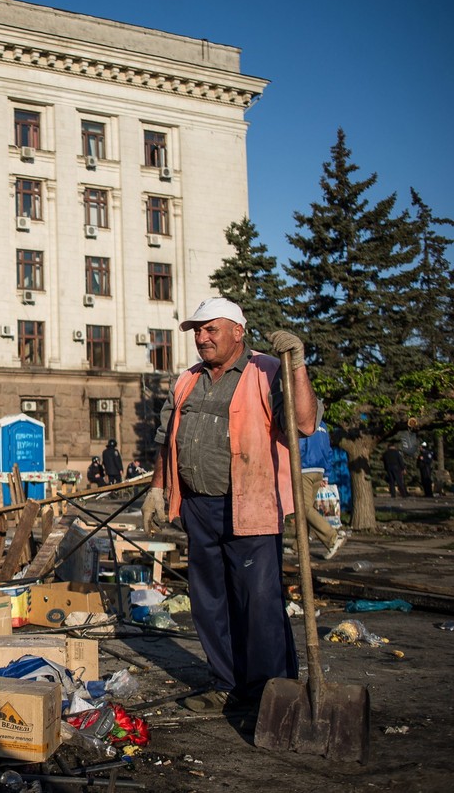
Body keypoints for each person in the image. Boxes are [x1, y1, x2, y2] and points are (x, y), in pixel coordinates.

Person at [141, 297, 318, 714]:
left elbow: (305, 423)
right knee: (210, 603)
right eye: (197, 331)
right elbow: (167, 439)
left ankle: (270, 694)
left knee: (259, 604)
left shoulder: (267, 370)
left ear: (238, 332)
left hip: (250, 506)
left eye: (210, 329)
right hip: (198, 508)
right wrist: (157, 489)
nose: (202, 338)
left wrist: (297, 366)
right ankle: (226, 683)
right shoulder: (187, 380)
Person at [292, 421, 347, 560]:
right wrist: (326, 474)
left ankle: (333, 538)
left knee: (303, 507)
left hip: (304, 468)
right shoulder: (322, 425)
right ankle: (299, 545)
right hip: (319, 470)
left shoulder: (302, 420)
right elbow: (328, 450)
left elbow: (298, 445)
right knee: (307, 510)